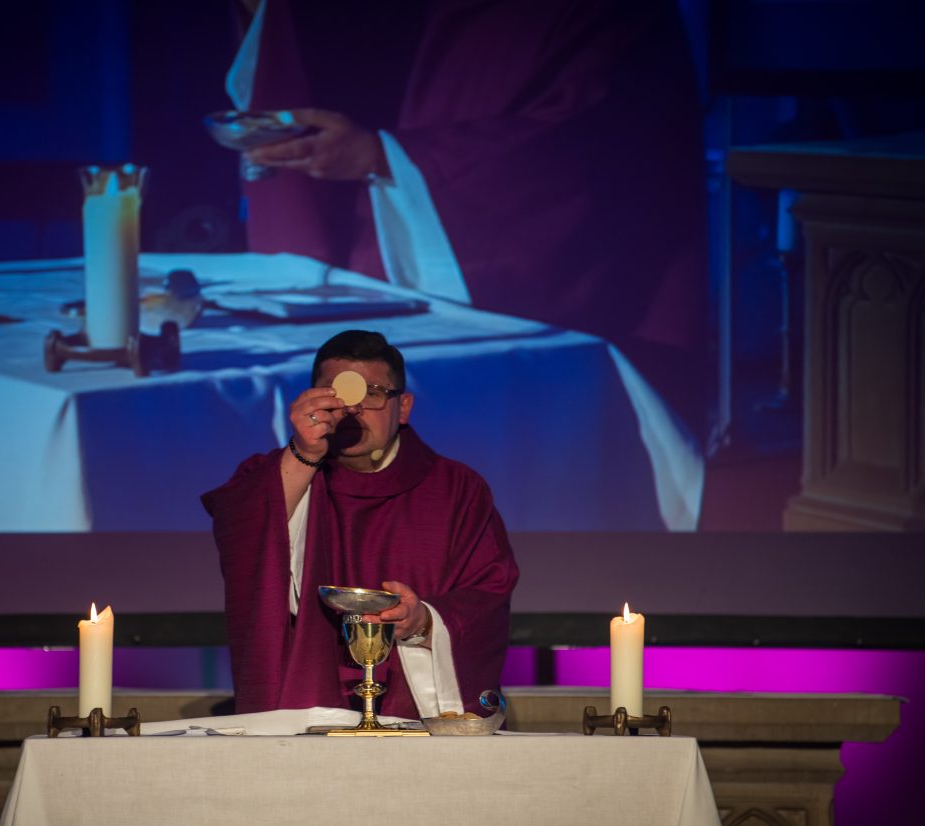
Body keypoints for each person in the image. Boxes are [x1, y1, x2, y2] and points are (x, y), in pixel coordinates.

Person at [229, 0, 710, 438]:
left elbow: (593, 149)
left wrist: (384, 157)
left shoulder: (607, 16)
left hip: (554, 307)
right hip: (381, 276)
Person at [201, 330, 519, 718]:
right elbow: (243, 542)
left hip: (413, 705)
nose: (350, 409)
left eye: (372, 393)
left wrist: (423, 621)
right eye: (334, 394)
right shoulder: (273, 477)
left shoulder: (456, 489)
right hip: (304, 697)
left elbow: (488, 593)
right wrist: (304, 454)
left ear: (403, 407)